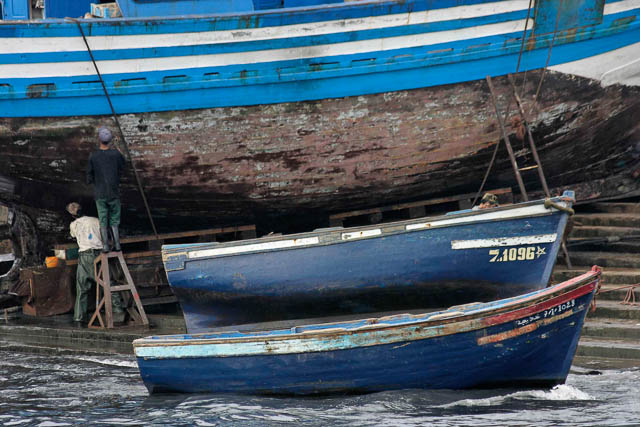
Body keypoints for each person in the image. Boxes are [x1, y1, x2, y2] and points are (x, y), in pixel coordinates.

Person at [67, 202, 123, 327]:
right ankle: (118, 312)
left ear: (72, 216)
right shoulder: (96, 220)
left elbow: (73, 236)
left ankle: (79, 318)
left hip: (83, 257)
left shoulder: (73, 225)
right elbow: (106, 235)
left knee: (81, 289)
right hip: (98, 255)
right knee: (108, 283)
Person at [87, 126, 125, 253]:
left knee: (103, 219)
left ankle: (105, 246)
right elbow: (123, 165)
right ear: (110, 140)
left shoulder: (93, 156)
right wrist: (120, 151)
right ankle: (117, 245)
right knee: (115, 218)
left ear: (99, 139)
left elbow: (89, 175)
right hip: (113, 192)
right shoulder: (115, 154)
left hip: (100, 193)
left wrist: (94, 182)